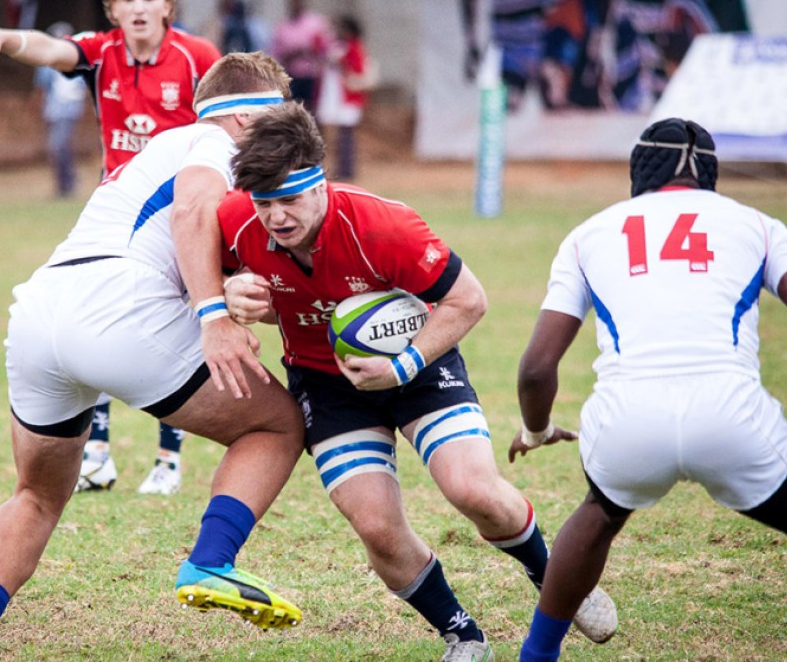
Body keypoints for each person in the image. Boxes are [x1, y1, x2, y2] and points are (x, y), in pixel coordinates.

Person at [0, 52, 305, 662]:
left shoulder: (162, 145)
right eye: (281, 116)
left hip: (40, 309)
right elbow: (191, 211)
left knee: (37, 495)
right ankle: (211, 561)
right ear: (243, 117)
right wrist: (214, 317)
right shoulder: (214, 143)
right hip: (118, 307)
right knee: (278, 422)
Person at [217, 101, 617, 662]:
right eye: (264, 204)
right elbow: (210, 273)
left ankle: (555, 577)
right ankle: (462, 634)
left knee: (474, 491)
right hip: (327, 385)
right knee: (377, 527)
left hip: (419, 366)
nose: (276, 218)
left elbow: (469, 299)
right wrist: (229, 294)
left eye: (289, 200)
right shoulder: (236, 221)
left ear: (320, 185)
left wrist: (401, 366)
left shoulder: (384, 226)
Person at [510, 118, 787, 662]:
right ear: (710, 174)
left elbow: (535, 368)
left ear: (638, 170)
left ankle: (537, 654)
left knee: (600, 513)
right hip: (734, 421)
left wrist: (538, 429)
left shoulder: (588, 233)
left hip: (627, 427)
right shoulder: (757, 224)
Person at [0, 0, 223, 495]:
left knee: (178, 325)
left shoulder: (196, 58)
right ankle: (97, 454)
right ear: (113, 9)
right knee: (94, 318)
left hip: (180, 213)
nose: (139, 8)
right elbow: (51, 49)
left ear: (169, 5)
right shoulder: (102, 54)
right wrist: (6, 37)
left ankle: (168, 460)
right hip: (114, 217)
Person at [33, 22, 88, 198]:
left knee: (59, 145)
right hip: (52, 109)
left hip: (70, 109)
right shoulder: (46, 64)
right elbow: (41, 88)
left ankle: (68, 183)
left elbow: (86, 86)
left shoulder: (78, 63)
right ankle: (63, 184)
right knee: (56, 148)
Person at [316, 15, 372, 181]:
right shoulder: (338, 46)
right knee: (337, 135)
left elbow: (357, 71)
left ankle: (346, 170)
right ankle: (339, 168)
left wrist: (342, 63)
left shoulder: (355, 48)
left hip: (348, 97)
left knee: (346, 134)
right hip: (337, 97)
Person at [269, 0, 330, 112]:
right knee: (292, 109)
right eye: (293, 2)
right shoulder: (282, 26)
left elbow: (326, 48)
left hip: (312, 74)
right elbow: (275, 53)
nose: (296, 5)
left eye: (298, 2)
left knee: (312, 109)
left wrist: (309, 51)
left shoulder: (316, 22)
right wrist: (291, 54)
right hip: (290, 74)